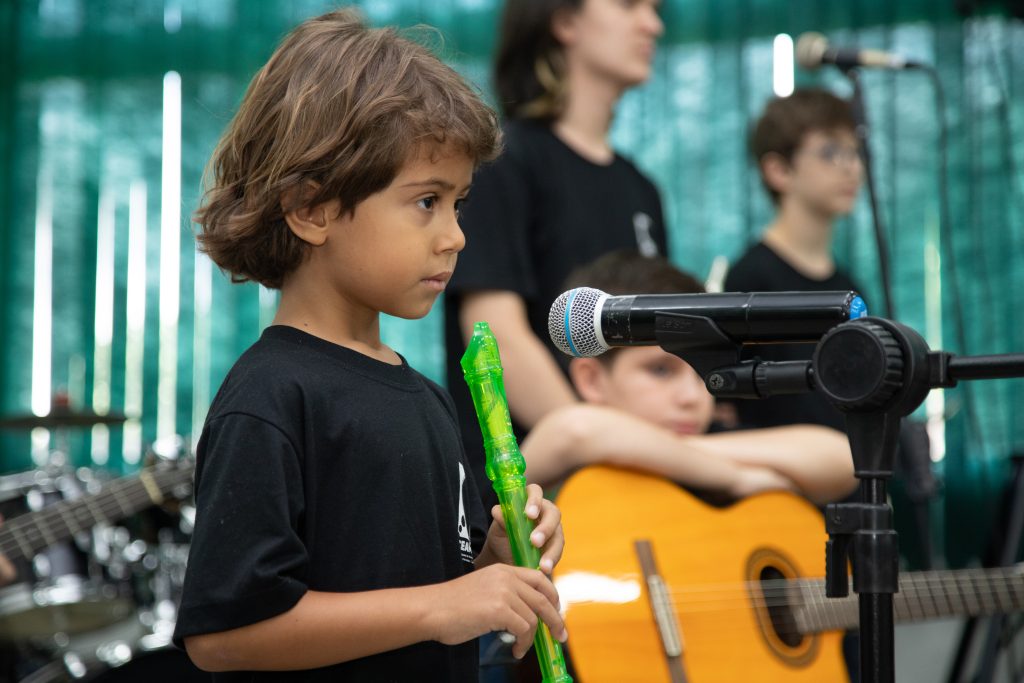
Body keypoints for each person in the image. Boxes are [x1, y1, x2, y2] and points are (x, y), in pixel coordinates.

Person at [171, 10, 568, 681]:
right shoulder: (270, 395)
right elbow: (225, 634)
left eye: (459, 204)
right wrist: (442, 605)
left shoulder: (430, 400)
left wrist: (495, 564)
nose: (455, 236)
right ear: (311, 209)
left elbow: (430, 596)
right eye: (427, 201)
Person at [444, 0, 669, 513]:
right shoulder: (503, 163)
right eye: (629, 5)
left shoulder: (642, 189)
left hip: (639, 478)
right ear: (564, 21)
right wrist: (600, 445)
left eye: (655, 9)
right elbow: (495, 336)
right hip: (526, 498)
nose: (652, 24)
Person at [522, 249, 857, 506]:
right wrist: (734, 478)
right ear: (592, 380)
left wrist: (675, 451)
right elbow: (576, 430)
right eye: (661, 370)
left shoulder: (711, 438)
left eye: (700, 372)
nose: (692, 397)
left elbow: (842, 459)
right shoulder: (571, 441)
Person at [722, 88, 864, 432]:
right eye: (830, 152)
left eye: (855, 152)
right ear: (779, 170)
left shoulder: (848, 286)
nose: (852, 168)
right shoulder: (750, 279)